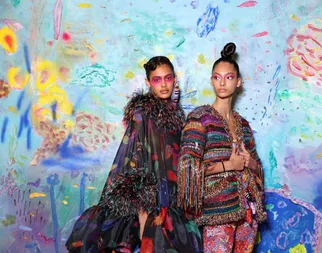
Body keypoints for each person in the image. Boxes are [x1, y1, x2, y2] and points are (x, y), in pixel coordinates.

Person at [66, 56, 202, 253]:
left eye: (168, 78)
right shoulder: (143, 113)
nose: (164, 85)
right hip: (149, 204)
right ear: (148, 83)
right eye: (157, 79)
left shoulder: (177, 115)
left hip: (171, 198)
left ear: (174, 80)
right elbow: (137, 165)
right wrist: (143, 219)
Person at [177, 43, 267, 253]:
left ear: (238, 82)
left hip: (249, 209)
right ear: (211, 81)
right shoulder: (200, 118)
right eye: (217, 77)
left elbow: (258, 167)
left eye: (228, 77)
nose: (222, 83)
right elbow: (187, 167)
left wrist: (249, 162)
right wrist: (229, 165)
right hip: (218, 209)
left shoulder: (243, 124)